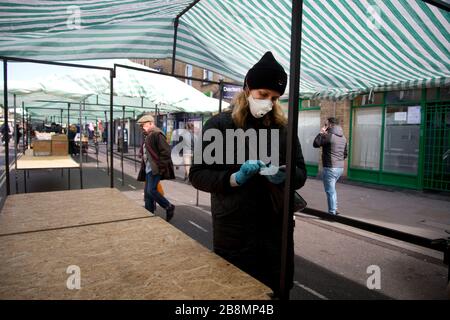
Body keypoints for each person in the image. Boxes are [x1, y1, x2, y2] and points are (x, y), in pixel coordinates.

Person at [189, 51, 307, 298]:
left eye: (274, 98)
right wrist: (234, 178)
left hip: (275, 229)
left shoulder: (283, 129)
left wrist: (284, 175)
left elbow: (301, 173)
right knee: (235, 292)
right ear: (247, 88)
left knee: (276, 289)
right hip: (234, 229)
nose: (269, 102)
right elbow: (198, 175)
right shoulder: (220, 126)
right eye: (263, 95)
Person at [138, 114, 176, 221]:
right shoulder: (149, 135)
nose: (142, 127)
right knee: (148, 194)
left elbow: (166, 152)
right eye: (141, 126)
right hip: (149, 168)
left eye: (144, 125)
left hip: (155, 169)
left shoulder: (157, 134)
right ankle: (149, 214)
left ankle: (169, 206)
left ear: (151, 123)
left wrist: (160, 167)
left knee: (151, 191)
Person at [313, 117, 347, 215]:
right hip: (340, 168)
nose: (325, 126)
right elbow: (345, 154)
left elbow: (315, 143)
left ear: (331, 125)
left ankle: (332, 212)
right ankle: (334, 208)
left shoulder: (329, 136)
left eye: (326, 124)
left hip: (330, 168)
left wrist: (321, 132)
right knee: (332, 190)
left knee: (330, 191)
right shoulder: (343, 137)